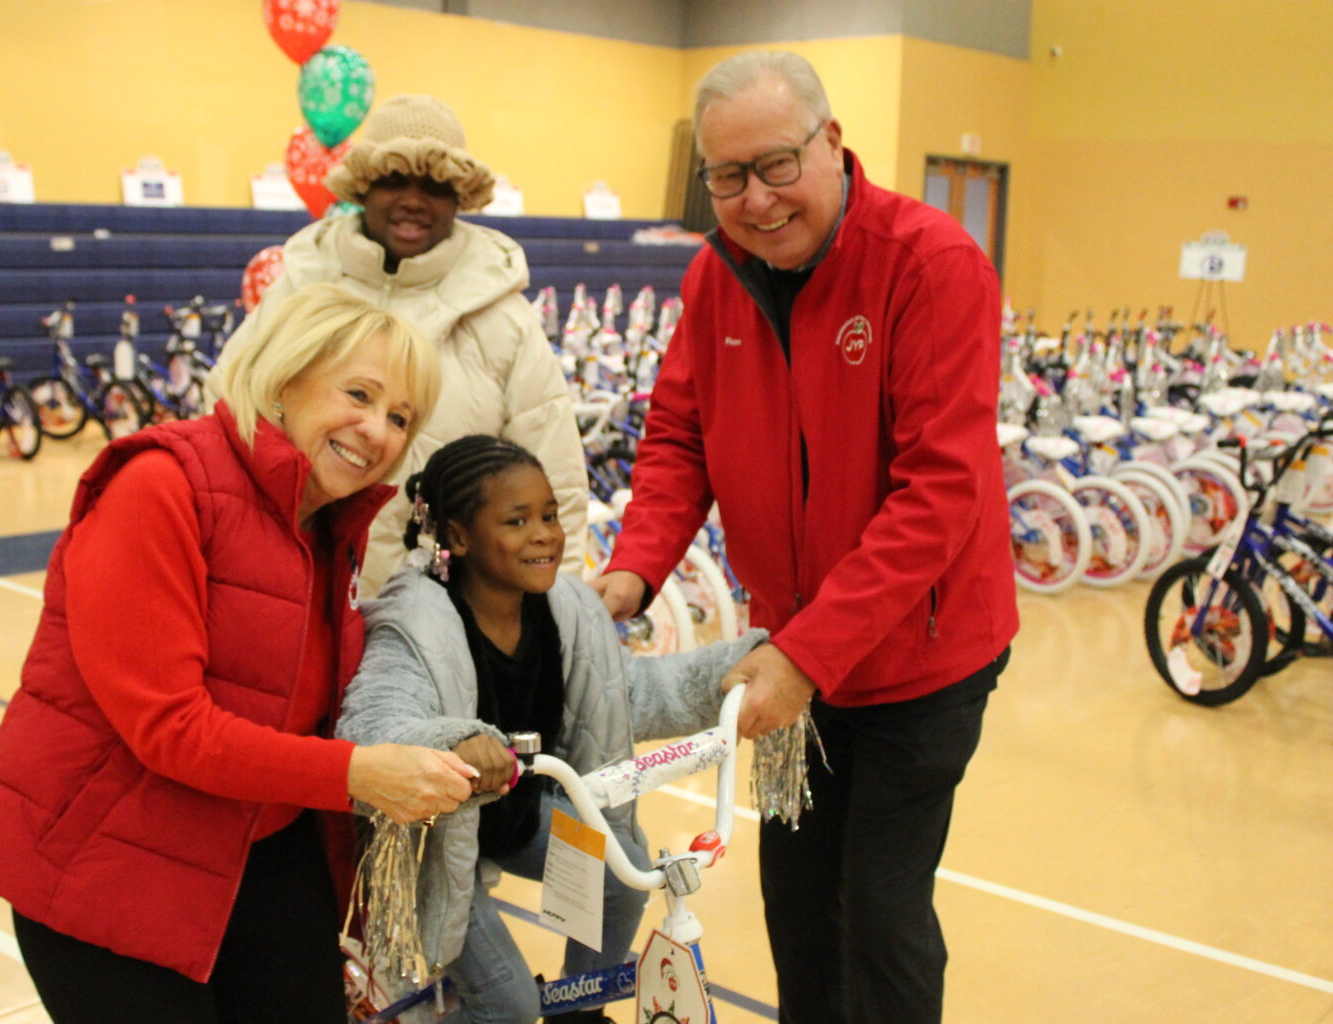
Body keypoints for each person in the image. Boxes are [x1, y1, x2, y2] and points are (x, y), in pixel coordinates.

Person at [591, 52, 1019, 1024]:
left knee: (880, 905)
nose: (756, 197)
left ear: (832, 143)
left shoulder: (932, 264)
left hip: (923, 658)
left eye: (777, 163)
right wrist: (632, 574)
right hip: (791, 652)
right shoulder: (714, 278)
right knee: (796, 903)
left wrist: (807, 654)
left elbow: (939, 496)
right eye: (727, 176)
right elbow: (678, 439)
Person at [0, 283, 479, 1023]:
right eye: (358, 393)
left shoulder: (327, 523)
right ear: (286, 377)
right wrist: (359, 775)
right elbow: (171, 727)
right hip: (109, 864)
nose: (378, 431)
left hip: (259, 848)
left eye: (400, 418)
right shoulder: (160, 485)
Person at [336, 435, 767, 1024]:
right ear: (458, 538)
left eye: (549, 516)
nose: (545, 534)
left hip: (510, 819)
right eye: (517, 521)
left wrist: (728, 672)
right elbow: (373, 725)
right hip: (429, 843)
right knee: (508, 1006)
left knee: (623, 876)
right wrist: (450, 741)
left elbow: (628, 693)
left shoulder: (567, 610)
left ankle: (579, 1011)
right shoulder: (416, 623)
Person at [230, 94, 589, 597]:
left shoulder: (504, 320)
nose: (413, 200)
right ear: (363, 186)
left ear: (461, 196)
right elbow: (229, 413)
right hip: (287, 591)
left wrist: (557, 616)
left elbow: (556, 484)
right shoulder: (301, 286)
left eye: (436, 185)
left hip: (439, 615)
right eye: (395, 179)